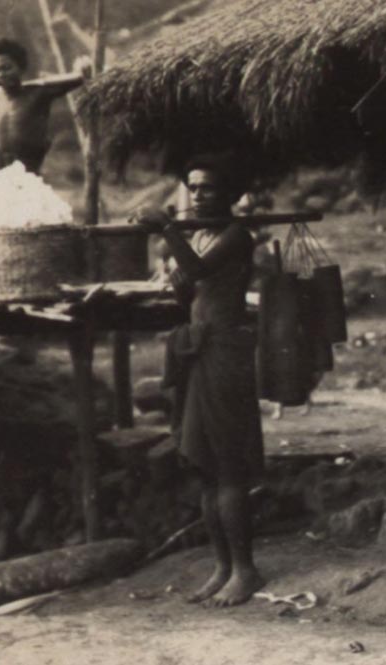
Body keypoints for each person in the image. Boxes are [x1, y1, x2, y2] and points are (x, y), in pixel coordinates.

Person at [135, 155, 265, 607]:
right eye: (193, 186)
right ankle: (223, 566)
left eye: (208, 188)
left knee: (228, 465)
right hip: (199, 351)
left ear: (230, 195)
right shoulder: (203, 233)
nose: (198, 194)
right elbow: (189, 288)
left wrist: (167, 231)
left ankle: (246, 570)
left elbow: (202, 271)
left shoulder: (234, 235)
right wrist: (169, 263)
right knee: (207, 468)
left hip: (226, 353)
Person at [0, 39, 89, 175]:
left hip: (28, 175)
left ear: (20, 67)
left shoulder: (38, 92)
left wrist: (83, 67)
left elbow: (79, 78)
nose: (1, 74)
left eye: (6, 68)